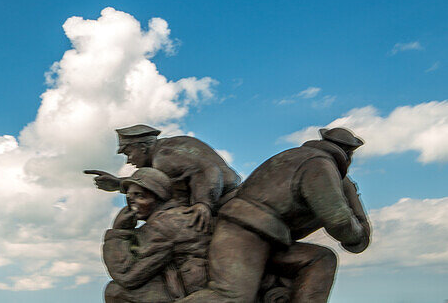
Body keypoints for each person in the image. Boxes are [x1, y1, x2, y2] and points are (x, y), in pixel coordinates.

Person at [181, 128, 370, 303]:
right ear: (349, 154)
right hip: (246, 230)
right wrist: (357, 236)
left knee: (321, 258)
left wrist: (349, 192)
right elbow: (338, 220)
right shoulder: (319, 165)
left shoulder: (294, 156)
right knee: (231, 296)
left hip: (270, 237)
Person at [86, 124, 240, 231]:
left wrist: (203, 203)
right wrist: (118, 184)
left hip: (223, 198)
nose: (129, 160)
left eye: (129, 153)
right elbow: (156, 183)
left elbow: (208, 170)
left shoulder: (163, 158)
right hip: (220, 196)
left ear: (142, 147)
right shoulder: (164, 153)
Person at [103, 167, 209, 303]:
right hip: (189, 284)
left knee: (115, 291)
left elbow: (126, 276)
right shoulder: (175, 215)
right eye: (129, 198)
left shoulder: (163, 225)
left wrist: (119, 231)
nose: (131, 204)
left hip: (190, 292)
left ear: (158, 197)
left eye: (140, 196)